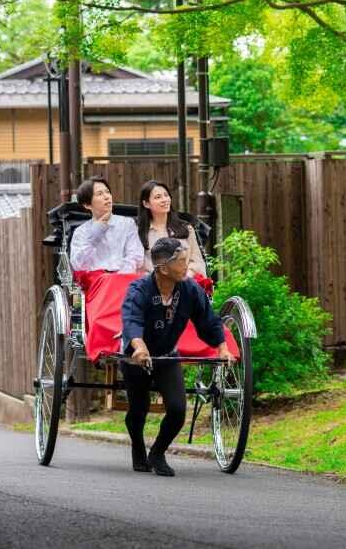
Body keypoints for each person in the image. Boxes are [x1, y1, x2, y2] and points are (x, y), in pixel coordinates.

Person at [120, 237, 235, 476]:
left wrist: (222, 348)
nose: (187, 265)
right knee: (138, 409)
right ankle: (138, 447)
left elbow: (208, 321)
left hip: (168, 356)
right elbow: (132, 320)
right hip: (136, 357)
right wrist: (139, 347)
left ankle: (158, 453)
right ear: (163, 269)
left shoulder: (190, 289)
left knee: (177, 409)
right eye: (181, 261)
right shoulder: (139, 289)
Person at [70, 176, 144, 274]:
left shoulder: (127, 224)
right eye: (99, 194)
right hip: (95, 281)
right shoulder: (81, 232)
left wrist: (119, 276)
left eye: (107, 192)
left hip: (124, 278)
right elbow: (79, 265)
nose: (107, 197)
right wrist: (97, 230)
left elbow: (135, 256)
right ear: (87, 205)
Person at [137, 180, 206, 277]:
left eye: (166, 195)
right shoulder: (139, 233)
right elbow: (138, 267)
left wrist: (185, 278)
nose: (164, 199)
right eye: (158, 197)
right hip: (152, 286)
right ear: (146, 204)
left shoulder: (186, 229)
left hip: (185, 282)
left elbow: (197, 261)